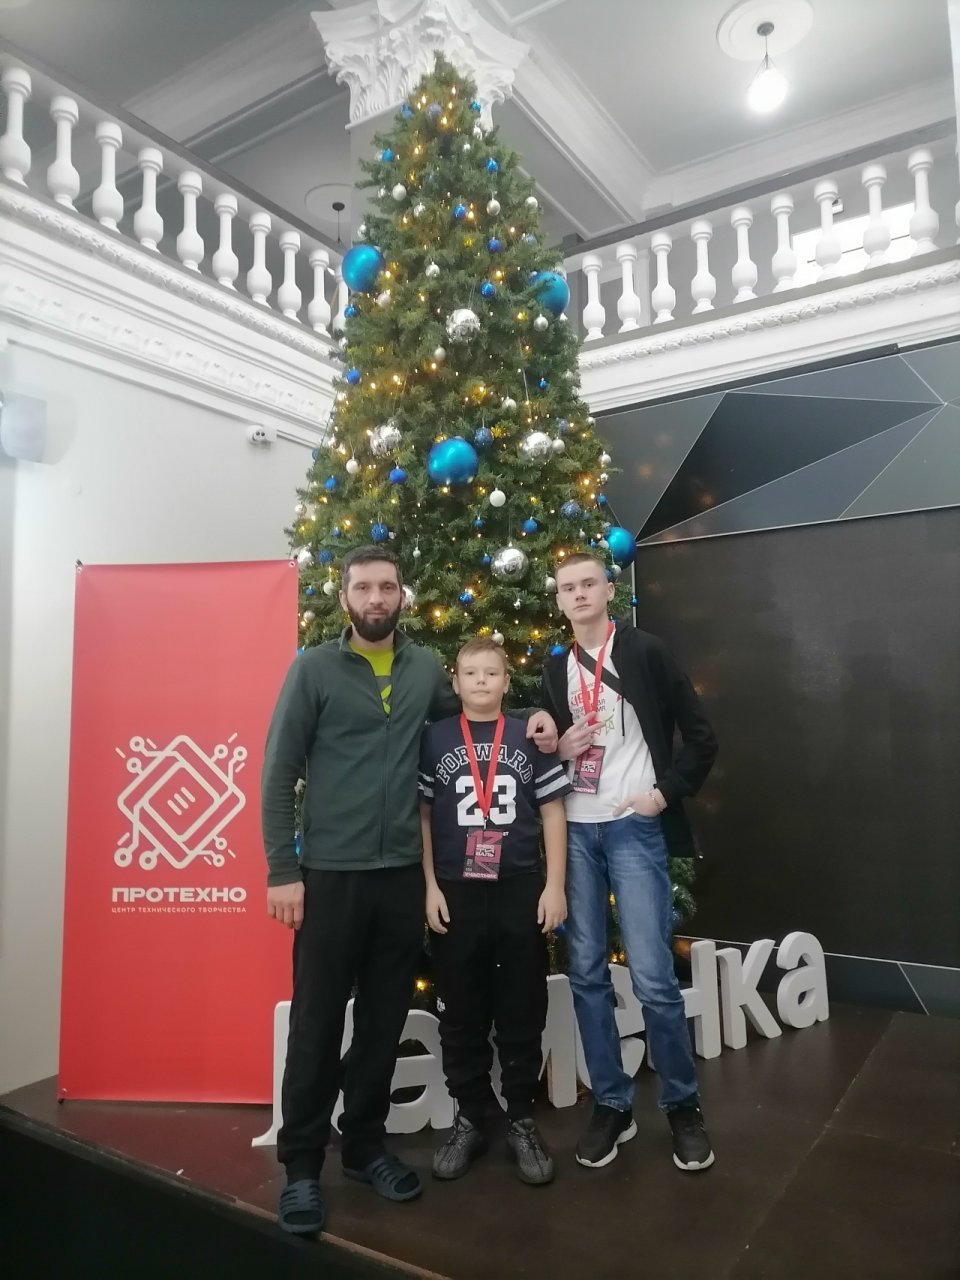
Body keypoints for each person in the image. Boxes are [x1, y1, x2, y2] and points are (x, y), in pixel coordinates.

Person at [261, 546, 557, 1236]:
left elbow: (478, 712)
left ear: (402, 596)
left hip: (400, 878)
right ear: (344, 597)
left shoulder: (424, 669)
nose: (376, 597)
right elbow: (278, 772)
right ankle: (301, 1165)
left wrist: (537, 719)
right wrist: (282, 870)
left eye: (387, 586)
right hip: (330, 876)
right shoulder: (313, 670)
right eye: (363, 586)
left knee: (383, 1021)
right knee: (316, 1022)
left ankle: (364, 1148)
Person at [540, 552, 718, 1173]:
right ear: (559, 600)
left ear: (608, 590)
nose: (579, 594)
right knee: (586, 974)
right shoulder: (555, 666)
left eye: (589, 583)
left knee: (652, 977)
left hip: (634, 828)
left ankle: (682, 1106)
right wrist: (560, 745)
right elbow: (546, 749)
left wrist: (663, 795)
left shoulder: (644, 652)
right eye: (568, 587)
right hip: (575, 832)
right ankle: (612, 1105)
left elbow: (702, 737)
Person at [419, 638, 569, 1186]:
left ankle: (521, 1117)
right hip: (456, 891)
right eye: (470, 673)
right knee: (460, 1010)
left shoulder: (530, 735)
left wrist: (555, 886)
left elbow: (553, 812)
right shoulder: (434, 738)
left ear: (507, 681)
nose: (481, 681)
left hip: (519, 888)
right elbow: (422, 816)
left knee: (521, 1005)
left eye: (491, 673)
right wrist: (429, 885)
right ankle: (470, 1117)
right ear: (455, 682)